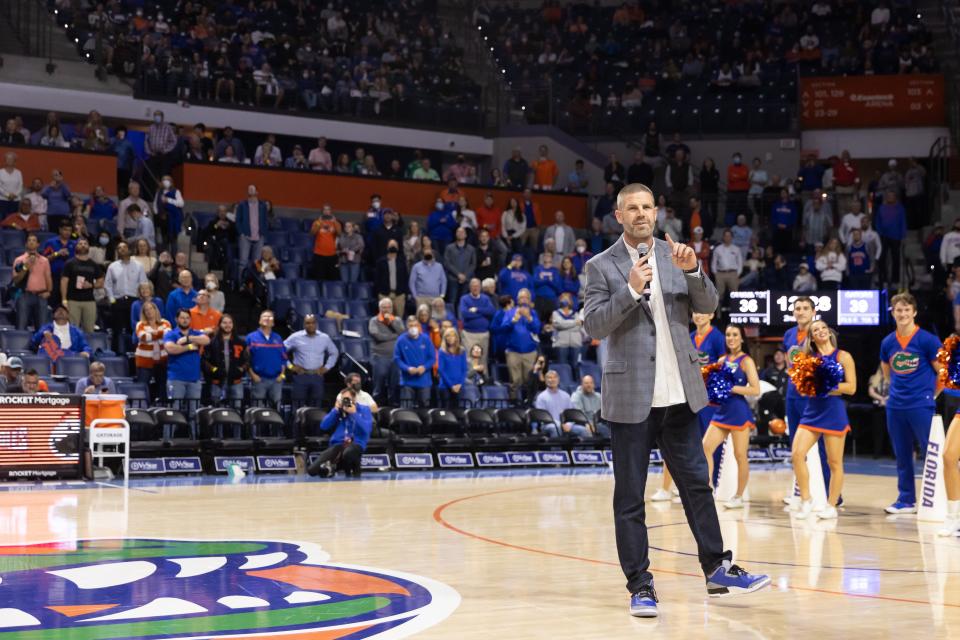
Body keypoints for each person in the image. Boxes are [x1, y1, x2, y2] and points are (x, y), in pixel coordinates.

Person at [582, 182, 769, 617]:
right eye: (633, 208)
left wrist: (692, 271)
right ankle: (640, 585)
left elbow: (709, 302)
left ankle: (717, 567)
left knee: (697, 488)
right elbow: (593, 325)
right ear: (619, 215)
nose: (641, 214)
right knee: (630, 497)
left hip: (680, 395)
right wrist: (629, 291)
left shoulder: (675, 255)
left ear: (656, 212)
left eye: (647, 206)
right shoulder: (601, 266)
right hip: (632, 399)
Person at [879, 292, 943, 514]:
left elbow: (942, 374)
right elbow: (887, 374)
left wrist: (930, 395)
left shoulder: (928, 340)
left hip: (921, 405)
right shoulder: (887, 342)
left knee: (931, 453)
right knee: (902, 454)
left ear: (914, 312)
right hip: (895, 406)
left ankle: (937, 497)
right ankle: (906, 499)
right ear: (893, 313)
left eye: (907, 309)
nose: (903, 313)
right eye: (899, 310)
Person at [653, 311, 725, 502]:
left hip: (710, 401)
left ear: (711, 314)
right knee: (678, 442)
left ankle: (709, 486)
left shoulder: (718, 338)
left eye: (703, 313)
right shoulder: (689, 337)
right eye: (695, 312)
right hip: (687, 398)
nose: (699, 316)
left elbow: (724, 367)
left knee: (707, 447)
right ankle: (668, 488)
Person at [791, 320, 857, 520]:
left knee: (834, 462)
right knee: (796, 453)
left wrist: (826, 386)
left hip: (833, 412)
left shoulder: (843, 356)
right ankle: (806, 500)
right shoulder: (808, 358)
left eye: (823, 328)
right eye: (815, 330)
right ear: (811, 337)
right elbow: (802, 386)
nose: (820, 331)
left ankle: (831, 505)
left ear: (829, 332)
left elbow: (852, 388)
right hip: (812, 411)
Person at [700, 325, 760, 509]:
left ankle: (739, 496)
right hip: (721, 411)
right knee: (705, 448)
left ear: (742, 338)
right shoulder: (721, 359)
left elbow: (755, 390)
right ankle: (706, 489)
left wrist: (730, 388)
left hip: (738, 412)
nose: (731, 338)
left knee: (740, 455)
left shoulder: (746, 361)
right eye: (728, 335)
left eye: (735, 335)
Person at [306, 387, 374, 478]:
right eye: (343, 399)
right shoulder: (339, 411)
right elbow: (323, 426)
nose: (345, 402)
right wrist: (335, 410)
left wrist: (354, 413)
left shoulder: (364, 409)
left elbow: (367, 429)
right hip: (338, 444)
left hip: (356, 443)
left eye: (347, 399)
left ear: (354, 399)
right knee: (312, 470)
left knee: (349, 453)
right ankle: (333, 468)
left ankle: (349, 469)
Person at [285, 314, 339, 407]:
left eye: (313, 323)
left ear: (316, 324)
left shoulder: (324, 337)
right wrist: (290, 366)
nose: (310, 325)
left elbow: (334, 353)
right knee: (298, 407)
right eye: (308, 323)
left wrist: (327, 367)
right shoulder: (295, 337)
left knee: (316, 408)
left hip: (317, 376)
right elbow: (280, 351)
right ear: (304, 325)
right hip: (300, 376)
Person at [163, 308, 210, 412]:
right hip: (176, 379)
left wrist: (188, 339)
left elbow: (207, 340)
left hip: (194, 379)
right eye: (182, 318)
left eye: (187, 318)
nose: (185, 320)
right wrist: (188, 347)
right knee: (174, 412)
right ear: (176, 319)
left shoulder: (195, 333)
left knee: (195, 413)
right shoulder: (171, 334)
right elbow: (170, 348)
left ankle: (194, 429)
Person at [500, 287, 541, 400]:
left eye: (526, 297)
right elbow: (503, 328)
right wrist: (514, 320)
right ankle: (513, 404)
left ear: (529, 300)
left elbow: (537, 329)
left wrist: (529, 318)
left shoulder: (533, 313)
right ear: (517, 300)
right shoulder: (510, 312)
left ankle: (528, 403)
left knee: (529, 381)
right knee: (515, 381)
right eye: (521, 297)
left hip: (530, 352)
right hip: (513, 352)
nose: (523, 299)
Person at [60, 238, 104, 335]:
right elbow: (64, 281)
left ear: (88, 247)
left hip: (89, 301)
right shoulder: (70, 263)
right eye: (80, 243)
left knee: (89, 330)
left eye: (85, 243)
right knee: (72, 329)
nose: (83, 245)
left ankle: (87, 349)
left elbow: (101, 281)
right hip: (73, 300)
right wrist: (64, 299)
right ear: (76, 247)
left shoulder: (93, 264)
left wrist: (91, 285)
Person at [202, 314, 247, 406]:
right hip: (217, 382)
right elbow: (204, 361)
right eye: (225, 323)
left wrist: (240, 370)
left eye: (230, 323)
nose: (228, 325)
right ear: (220, 325)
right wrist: (214, 370)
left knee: (237, 410)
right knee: (216, 411)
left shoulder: (241, 342)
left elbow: (247, 360)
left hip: (236, 381)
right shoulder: (212, 342)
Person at [12, 233, 52, 331]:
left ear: (38, 244)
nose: (31, 242)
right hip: (23, 295)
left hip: (41, 296)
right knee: (21, 325)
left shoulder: (44, 261)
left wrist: (49, 291)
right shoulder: (19, 260)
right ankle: (20, 346)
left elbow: (48, 278)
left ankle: (39, 346)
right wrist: (26, 266)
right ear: (26, 244)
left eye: (34, 240)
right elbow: (16, 280)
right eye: (29, 240)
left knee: (42, 328)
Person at [247, 310, 287, 408]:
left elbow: (283, 358)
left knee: (275, 410)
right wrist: (252, 375)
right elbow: (246, 360)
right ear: (259, 321)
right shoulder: (251, 337)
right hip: (258, 379)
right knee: (257, 410)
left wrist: (281, 375)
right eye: (264, 316)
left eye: (270, 317)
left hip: (276, 380)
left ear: (273, 323)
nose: (267, 319)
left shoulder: (278, 338)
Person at [394, 315, 435, 406]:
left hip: (424, 381)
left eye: (415, 325)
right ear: (407, 326)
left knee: (424, 409)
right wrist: (407, 368)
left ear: (418, 326)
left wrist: (424, 367)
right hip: (407, 381)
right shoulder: (401, 340)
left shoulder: (426, 339)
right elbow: (397, 358)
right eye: (410, 325)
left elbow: (432, 358)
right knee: (406, 409)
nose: (413, 328)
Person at [134, 300, 170, 401]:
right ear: (144, 313)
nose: (149, 311)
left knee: (162, 385)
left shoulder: (165, 322)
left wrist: (152, 334)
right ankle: (143, 408)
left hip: (162, 360)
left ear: (155, 310)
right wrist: (159, 333)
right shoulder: (140, 324)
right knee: (143, 386)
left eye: (151, 309)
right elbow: (144, 336)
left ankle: (163, 407)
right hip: (144, 360)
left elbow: (168, 335)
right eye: (146, 310)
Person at [534, 370, 587, 437]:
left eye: (554, 377)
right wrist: (560, 424)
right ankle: (556, 448)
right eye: (549, 378)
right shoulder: (541, 397)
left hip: (565, 425)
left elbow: (571, 414)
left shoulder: (566, 396)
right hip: (548, 425)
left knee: (583, 430)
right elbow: (542, 417)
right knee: (555, 428)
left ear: (558, 380)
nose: (552, 380)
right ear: (545, 380)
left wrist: (569, 424)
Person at [236, 185, 269, 267]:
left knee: (257, 262)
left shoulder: (262, 205)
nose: (250, 190)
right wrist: (241, 233)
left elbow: (265, 220)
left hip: (259, 236)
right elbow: (238, 220)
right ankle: (242, 279)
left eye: (252, 189)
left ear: (257, 192)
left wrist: (263, 233)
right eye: (249, 189)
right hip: (245, 236)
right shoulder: (242, 205)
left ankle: (255, 279)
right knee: (243, 261)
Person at [374, 240, 408, 317]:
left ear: (398, 248)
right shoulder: (380, 262)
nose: (393, 247)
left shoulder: (401, 262)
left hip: (399, 295)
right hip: (384, 294)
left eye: (394, 246)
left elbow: (405, 278)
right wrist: (379, 292)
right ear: (387, 247)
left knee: (399, 318)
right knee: (384, 318)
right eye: (391, 246)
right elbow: (377, 278)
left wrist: (404, 292)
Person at [550, 292, 582, 375]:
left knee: (575, 366)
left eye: (567, 298)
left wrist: (565, 324)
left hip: (575, 343)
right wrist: (574, 323)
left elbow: (579, 327)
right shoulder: (555, 313)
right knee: (563, 366)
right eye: (563, 298)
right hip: (561, 344)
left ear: (571, 301)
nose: (565, 300)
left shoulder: (575, 313)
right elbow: (559, 325)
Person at [444, 228, 476, 304]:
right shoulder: (449, 248)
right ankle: (452, 316)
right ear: (456, 234)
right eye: (458, 232)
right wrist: (458, 275)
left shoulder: (471, 249)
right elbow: (447, 263)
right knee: (452, 300)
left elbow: (473, 264)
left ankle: (461, 316)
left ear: (466, 235)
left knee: (464, 301)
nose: (460, 233)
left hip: (466, 279)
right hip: (453, 278)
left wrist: (465, 276)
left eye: (462, 232)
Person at [437, 328, 467, 409]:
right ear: (445, 338)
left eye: (453, 336)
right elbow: (441, 370)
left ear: (456, 338)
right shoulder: (442, 351)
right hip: (445, 386)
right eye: (448, 336)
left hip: (459, 386)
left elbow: (464, 369)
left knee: (458, 411)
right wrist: (451, 386)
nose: (450, 338)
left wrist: (460, 384)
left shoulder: (462, 351)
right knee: (446, 411)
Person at [154, 175, 184, 253]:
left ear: (171, 182)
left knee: (173, 240)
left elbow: (181, 203)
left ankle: (174, 258)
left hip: (173, 219)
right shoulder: (159, 192)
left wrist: (168, 200)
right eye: (164, 180)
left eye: (167, 180)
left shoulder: (176, 191)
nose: (165, 182)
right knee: (164, 240)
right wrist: (158, 214)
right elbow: (155, 204)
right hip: (163, 219)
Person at [310, 205, 341, 281]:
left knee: (332, 278)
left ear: (331, 211)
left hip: (332, 254)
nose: (326, 211)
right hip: (319, 254)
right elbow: (312, 233)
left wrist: (334, 222)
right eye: (325, 210)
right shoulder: (317, 222)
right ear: (322, 211)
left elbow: (339, 233)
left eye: (328, 210)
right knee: (319, 277)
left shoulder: (336, 223)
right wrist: (319, 222)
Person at [710, 229, 742, 301]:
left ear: (732, 237)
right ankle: (718, 312)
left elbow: (740, 263)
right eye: (726, 236)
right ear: (723, 237)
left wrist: (737, 274)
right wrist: (716, 274)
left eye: (729, 236)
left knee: (735, 295)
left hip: (733, 273)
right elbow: (713, 263)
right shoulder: (718, 249)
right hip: (720, 274)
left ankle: (734, 312)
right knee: (718, 296)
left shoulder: (736, 249)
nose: (727, 237)